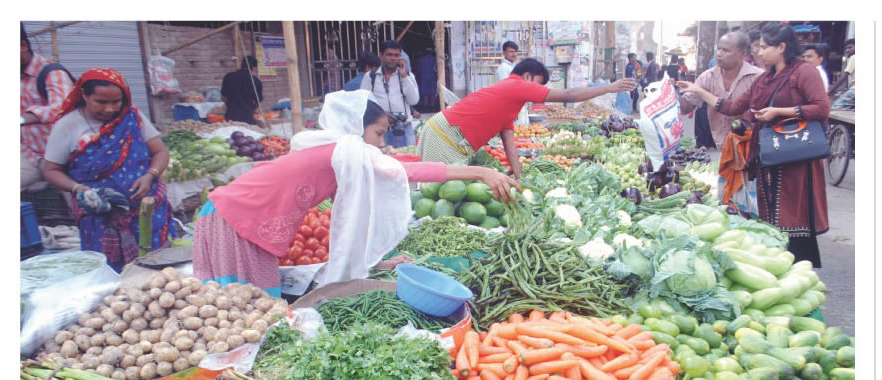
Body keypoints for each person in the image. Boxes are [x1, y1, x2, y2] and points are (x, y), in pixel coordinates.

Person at [192, 91, 520, 296]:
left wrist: (376, 262)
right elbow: (405, 171)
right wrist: (480, 172)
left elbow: (348, 218)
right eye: (378, 133)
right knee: (248, 310)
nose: (381, 142)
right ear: (355, 128)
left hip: (230, 215)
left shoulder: (335, 151)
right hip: (236, 220)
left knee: (246, 308)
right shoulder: (345, 150)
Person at [677, 23, 831, 268]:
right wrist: (698, 90)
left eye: (764, 47)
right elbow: (731, 107)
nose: (758, 52)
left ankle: (800, 266)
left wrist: (779, 112)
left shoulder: (803, 72)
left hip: (796, 156)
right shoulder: (764, 79)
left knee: (795, 213)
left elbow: (822, 107)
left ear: (781, 47)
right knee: (770, 214)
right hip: (768, 155)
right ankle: (778, 264)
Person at [40, 69, 173, 272]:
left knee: (158, 267)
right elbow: (51, 170)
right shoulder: (67, 126)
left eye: (116, 101)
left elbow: (160, 151)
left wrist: (150, 176)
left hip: (145, 210)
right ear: (84, 95)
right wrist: (79, 189)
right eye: (101, 102)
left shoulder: (132, 117)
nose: (110, 108)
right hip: (99, 215)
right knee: (109, 271)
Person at [418, 59, 635, 178]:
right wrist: (608, 88)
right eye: (538, 84)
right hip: (445, 136)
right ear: (528, 76)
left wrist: (519, 178)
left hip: (446, 134)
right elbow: (568, 95)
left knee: (446, 191)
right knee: (441, 193)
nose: (538, 91)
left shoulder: (509, 101)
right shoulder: (516, 85)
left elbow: (509, 145)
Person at [678, 32, 763, 149]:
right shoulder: (707, 77)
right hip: (722, 146)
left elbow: (735, 109)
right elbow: (686, 107)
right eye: (719, 49)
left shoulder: (758, 77)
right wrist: (671, 95)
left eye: (726, 50)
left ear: (743, 53)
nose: (719, 54)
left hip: (752, 145)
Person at [20, 23, 75, 193]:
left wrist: (22, 119)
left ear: (22, 46)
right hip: (30, 155)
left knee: (83, 202)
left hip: (64, 159)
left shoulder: (52, 72)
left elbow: (61, 107)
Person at [360, 40, 419, 148]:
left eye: (396, 55)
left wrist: (404, 77)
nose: (393, 58)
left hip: (404, 128)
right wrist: (382, 114)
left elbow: (414, 100)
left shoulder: (408, 76)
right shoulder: (371, 77)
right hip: (381, 131)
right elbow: (363, 103)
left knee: (407, 157)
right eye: (389, 54)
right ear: (381, 55)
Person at [221, 56, 263, 124]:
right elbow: (258, 101)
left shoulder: (228, 77)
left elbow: (223, 97)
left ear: (241, 65)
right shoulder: (255, 81)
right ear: (254, 68)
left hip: (231, 118)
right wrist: (251, 109)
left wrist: (229, 105)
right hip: (247, 119)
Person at [828, 38, 854, 110]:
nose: (847, 50)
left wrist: (830, 91)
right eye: (846, 48)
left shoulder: (854, 57)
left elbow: (844, 77)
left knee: (835, 107)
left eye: (850, 47)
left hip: (854, 90)